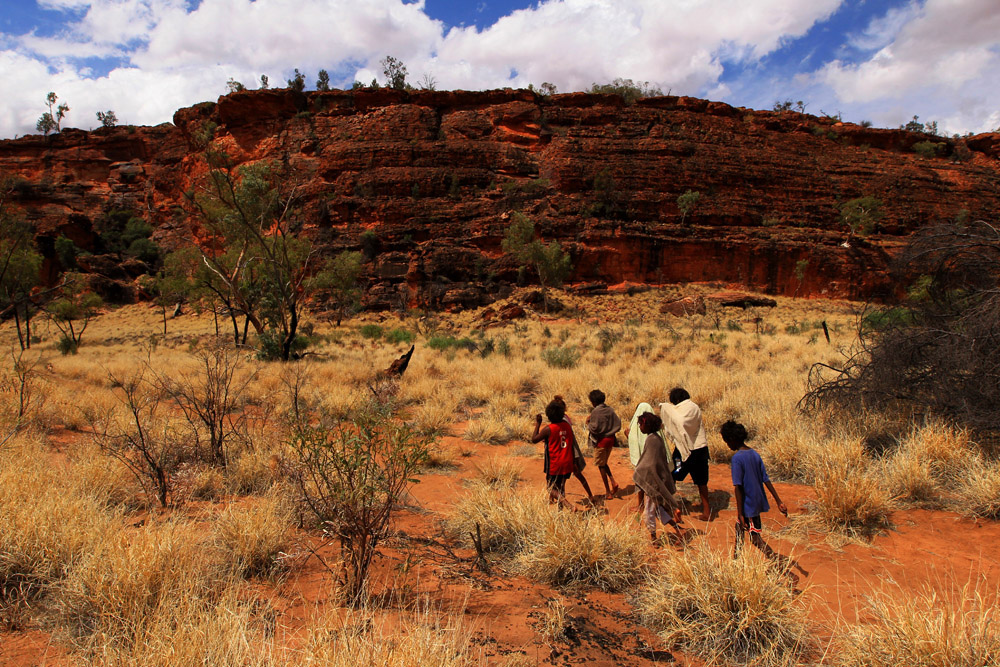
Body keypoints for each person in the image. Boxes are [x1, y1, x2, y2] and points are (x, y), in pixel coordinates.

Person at [722, 420, 787, 558]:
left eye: (727, 442)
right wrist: (778, 500)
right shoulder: (754, 454)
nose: (728, 445)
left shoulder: (737, 459)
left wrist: (740, 512)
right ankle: (736, 559)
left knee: (755, 538)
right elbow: (766, 479)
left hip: (748, 504)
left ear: (732, 439)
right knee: (739, 528)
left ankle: (776, 563)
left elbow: (738, 488)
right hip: (756, 500)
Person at [661, 387, 711, 521]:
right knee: (701, 481)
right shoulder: (695, 408)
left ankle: (668, 505)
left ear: (677, 399)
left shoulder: (685, 409)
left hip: (684, 450)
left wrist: (666, 409)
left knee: (673, 475)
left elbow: (680, 421)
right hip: (699, 450)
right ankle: (707, 511)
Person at [633, 411, 684, 543]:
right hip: (656, 479)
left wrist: (641, 473)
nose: (640, 427)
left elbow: (650, 464)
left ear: (647, 425)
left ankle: (654, 538)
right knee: (658, 510)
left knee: (649, 512)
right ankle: (678, 530)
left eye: (641, 425)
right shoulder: (657, 438)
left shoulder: (652, 440)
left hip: (653, 481)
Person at [532, 400, 577, 509]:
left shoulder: (549, 429)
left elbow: (534, 439)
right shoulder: (567, 425)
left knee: (550, 488)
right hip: (567, 461)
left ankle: (568, 506)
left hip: (554, 463)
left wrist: (538, 423)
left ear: (549, 415)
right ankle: (560, 513)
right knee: (561, 487)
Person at [552, 395, 596, 504]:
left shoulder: (561, 422)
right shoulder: (566, 418)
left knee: (558, 480)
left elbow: (566, 440)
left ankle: (563, 504)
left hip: (566, 453)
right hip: (569, 452)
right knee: (575, 476)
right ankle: (590, 495)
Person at [585, 389, 622, 498]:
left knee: (601, 465)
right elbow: (618, 423)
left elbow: (594, 428)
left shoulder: (596, 411)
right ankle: (613, 482)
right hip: (610, 440)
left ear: (593, 402)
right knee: (604, 462)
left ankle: (608, 492)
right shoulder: (610, 409)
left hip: (601, 441)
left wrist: (588, 423)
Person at [625, 402, 670, 467]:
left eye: (640, 424)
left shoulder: (652, 439)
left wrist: (629, 437)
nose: (640, 427)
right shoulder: (657, 435)